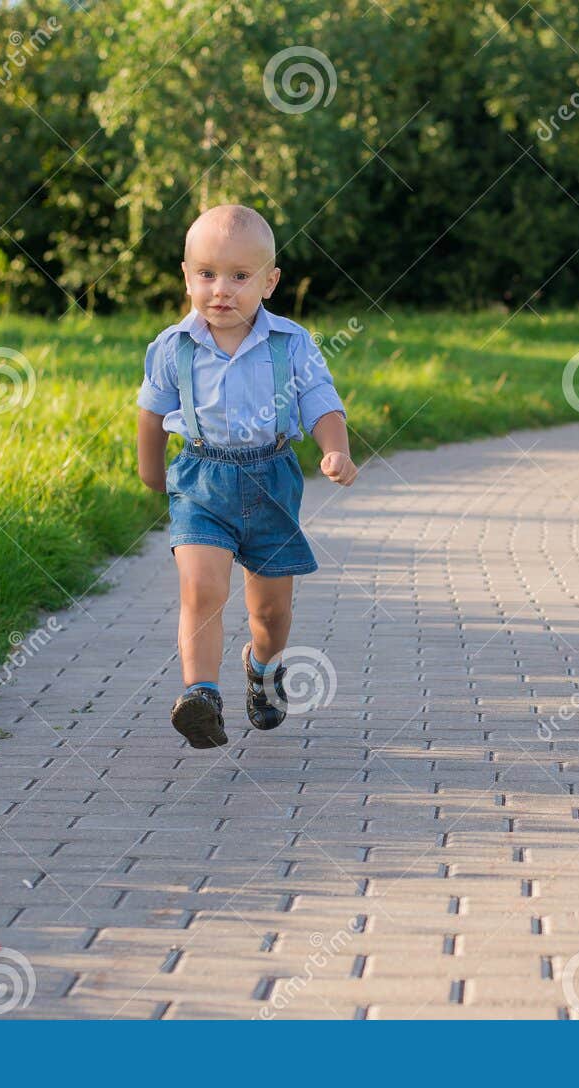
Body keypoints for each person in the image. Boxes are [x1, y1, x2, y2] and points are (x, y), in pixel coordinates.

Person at [135, 204, 357, 749]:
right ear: (186, 275)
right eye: (207, 274)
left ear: (270, 281)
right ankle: (201, 695)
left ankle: (263, 669)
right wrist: (150, 471)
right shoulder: (173, 346)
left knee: (271, 610)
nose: (221, 290)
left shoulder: (291, 343)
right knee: (202, 587)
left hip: (271, 479)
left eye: (240, 277)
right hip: (200, 478)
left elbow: (320, 400)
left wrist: (335, 449)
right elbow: (151, 412)